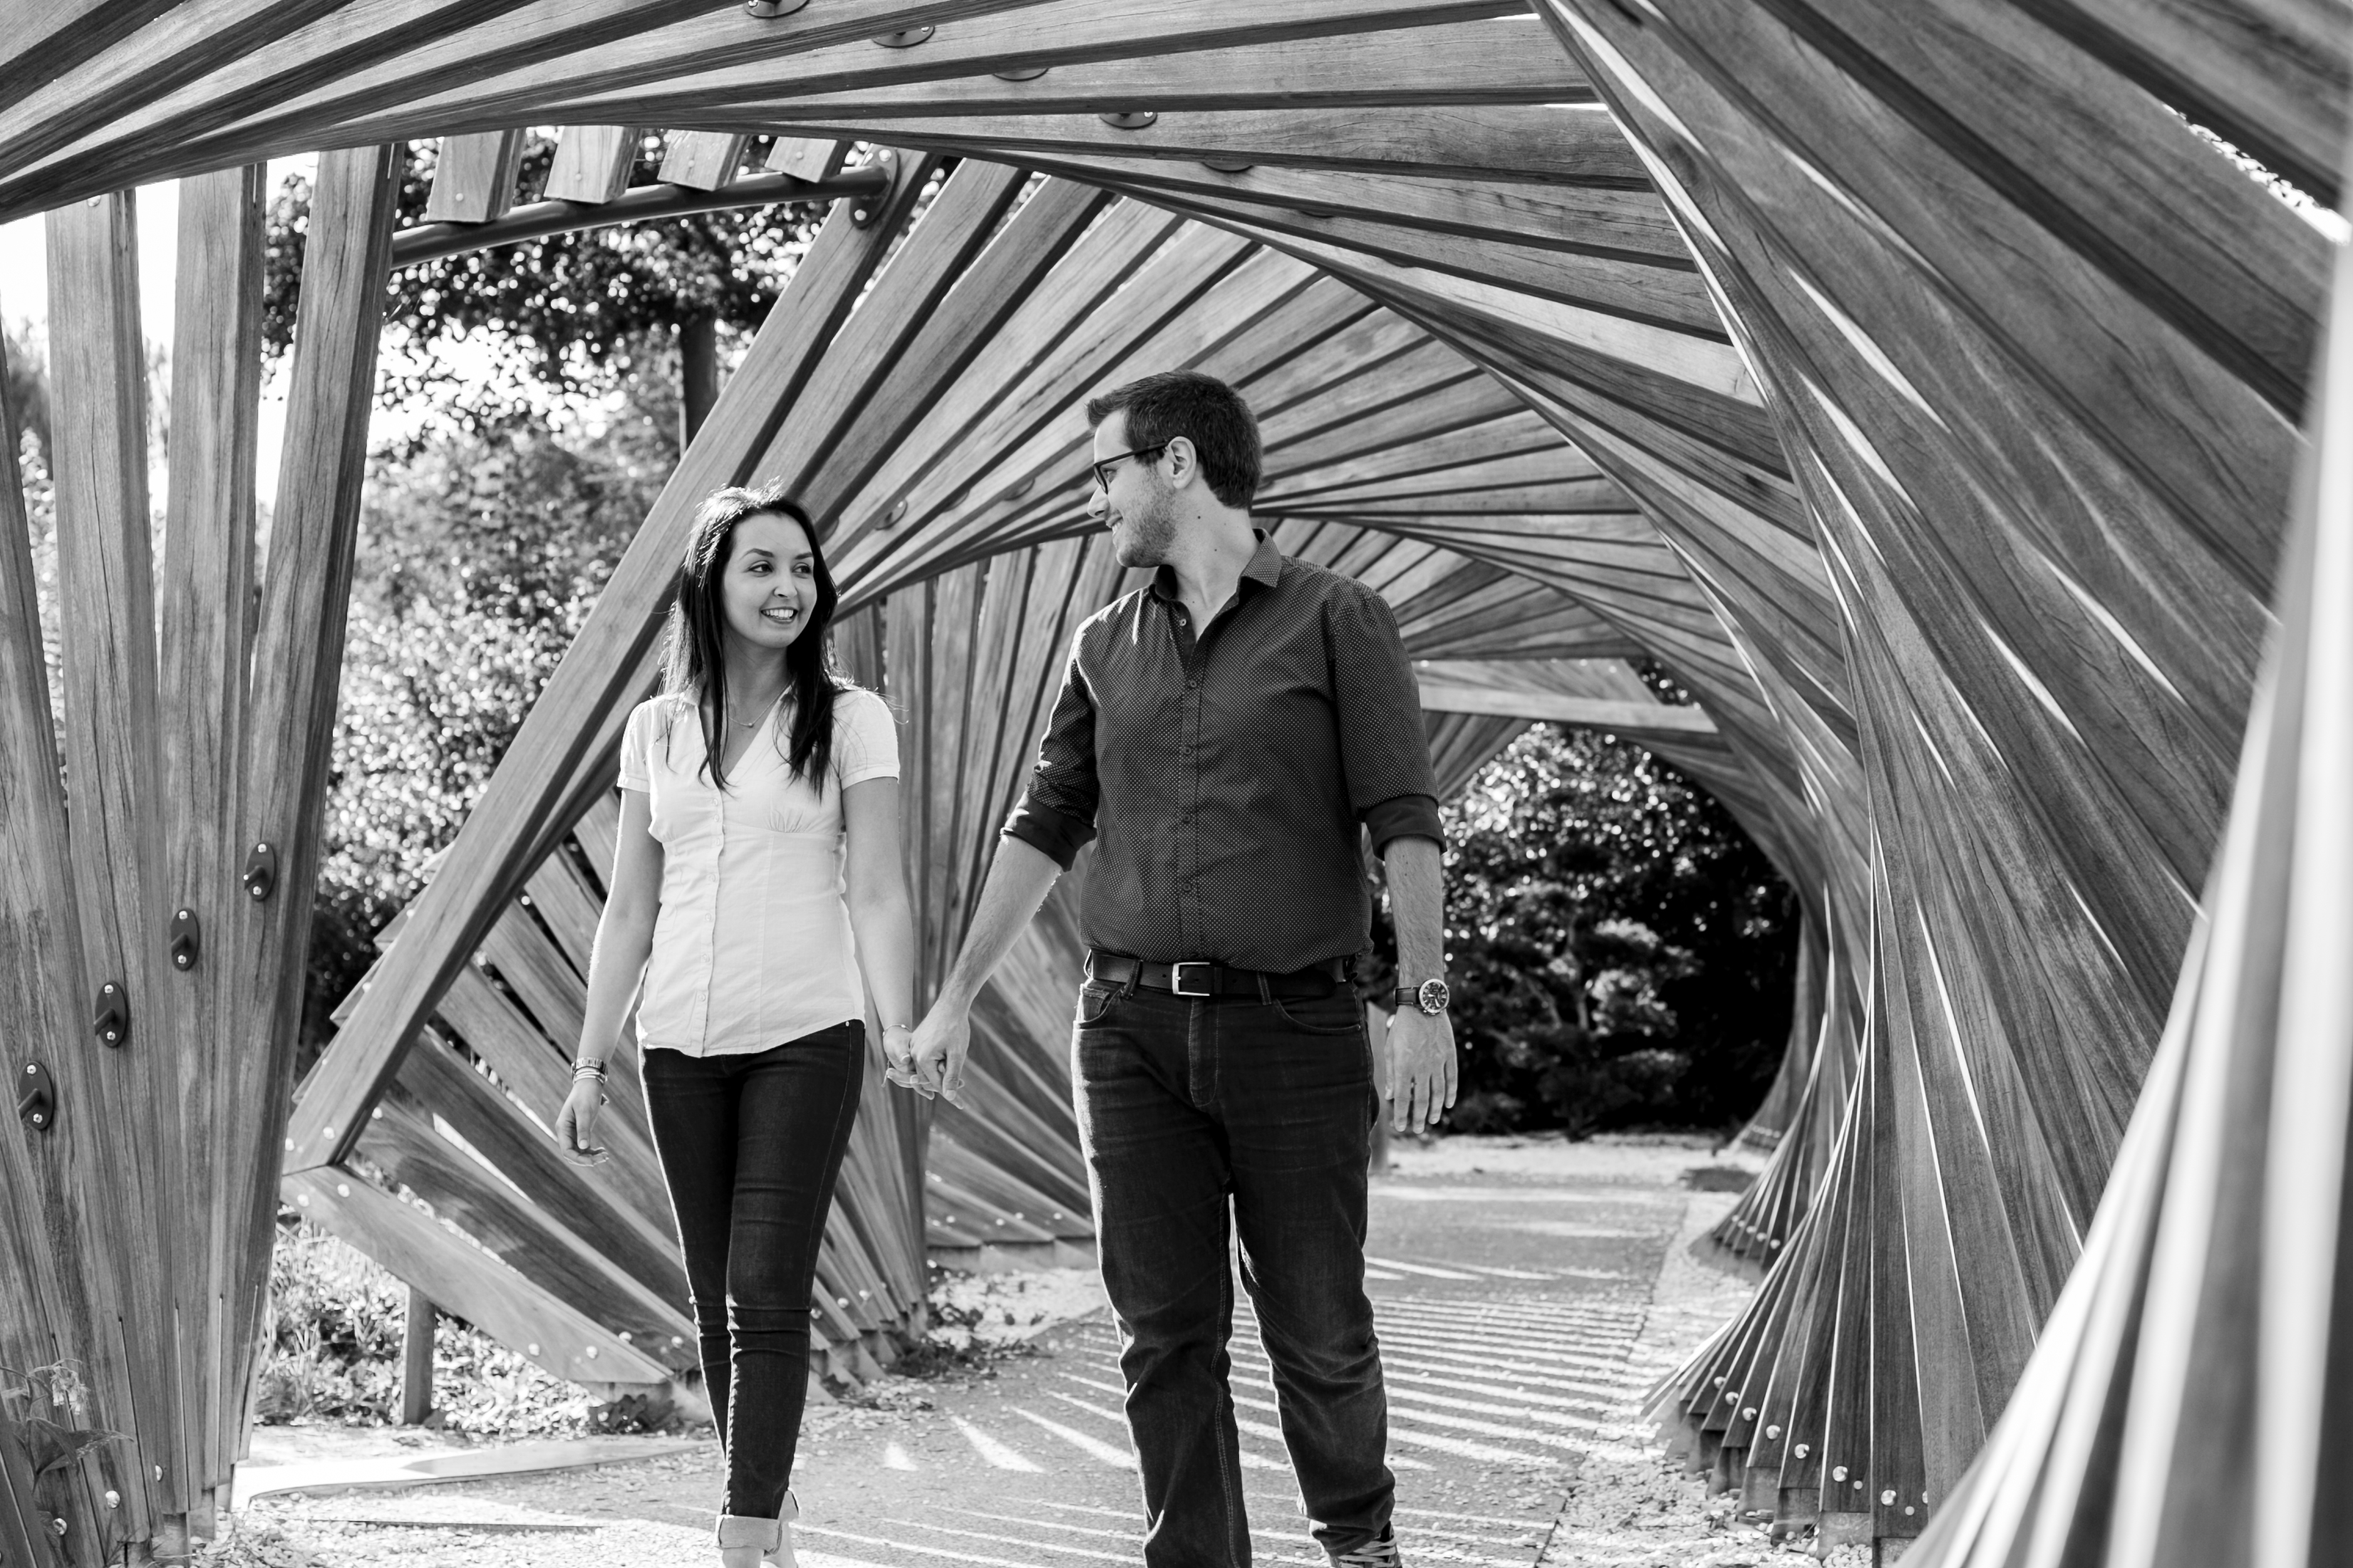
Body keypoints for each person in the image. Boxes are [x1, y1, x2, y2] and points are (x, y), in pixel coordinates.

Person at [905, 370, 1459, 1567]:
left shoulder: (1338, 618)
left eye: (1104, 471)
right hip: (1128, 1033)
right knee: (1163, 1335)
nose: (1093, 498)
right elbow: (1046, 822)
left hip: (1296, 1032)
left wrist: (1420, 997)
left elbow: (1403, 818)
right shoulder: (1102, 642)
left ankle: (1358, 1542)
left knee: (1318, 1325)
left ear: (1176, 465)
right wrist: (952, 997)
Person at [559, 483, 919, 1568]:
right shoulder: (657, 729)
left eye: (801, 568)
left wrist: (900, 1023)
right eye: (761, 566)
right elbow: (630, 908)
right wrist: (589, 1061)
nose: (786, 587)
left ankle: (741, 1535)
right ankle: (763, 1502)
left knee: (765, 1287)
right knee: (717, 1300)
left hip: (807, 1034)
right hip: (678, 1044)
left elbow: (879, 889)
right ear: (710, 583)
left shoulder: (851, 719)